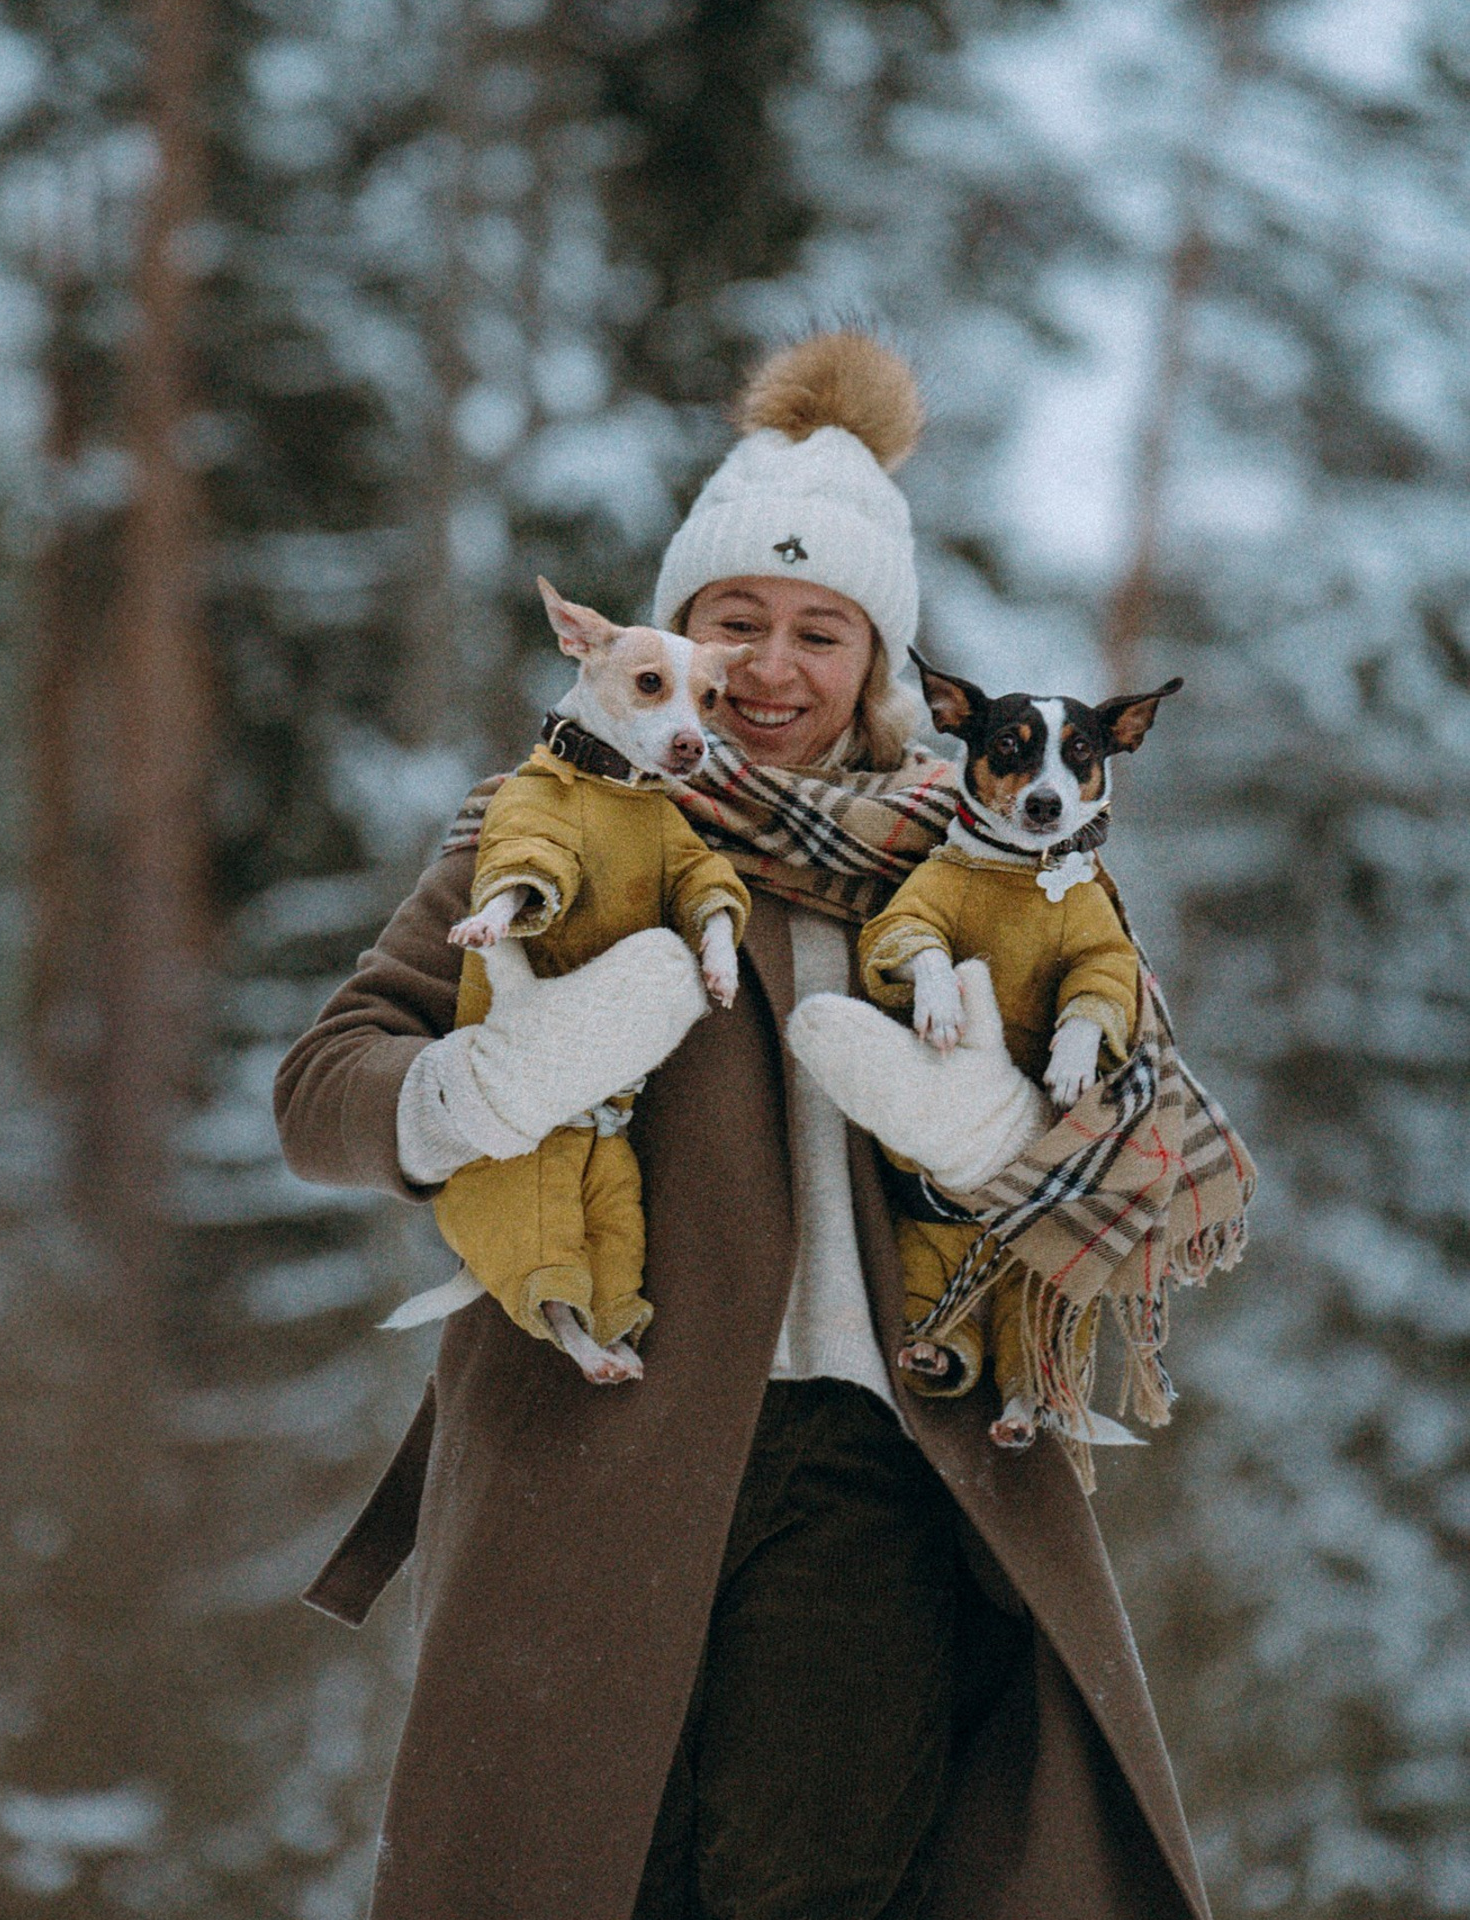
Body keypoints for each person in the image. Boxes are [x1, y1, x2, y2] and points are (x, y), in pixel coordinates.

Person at [275, 333, 1215, 1920]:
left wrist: (1001, 1135)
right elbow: (321, 1094)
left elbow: (1156, 1190)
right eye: (733, 624)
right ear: (672, 637)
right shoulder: (551, 825)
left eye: (818, 631)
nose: (769, 669)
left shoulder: (999, 868)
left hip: (881, 1473)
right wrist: (472, 1091)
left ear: (882, 664)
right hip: (590, 1445)